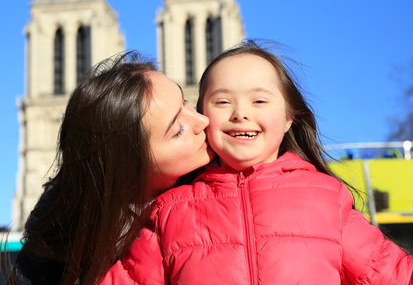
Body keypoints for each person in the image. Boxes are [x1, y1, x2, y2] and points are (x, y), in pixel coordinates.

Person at [101, 40, 413, 284]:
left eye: (259, 100)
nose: (240, 113)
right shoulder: (170, 211)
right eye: (222, 102)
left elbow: (393, 273)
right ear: (201, 116)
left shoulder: (325, 197)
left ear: (290, 117)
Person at [4, 51, 213, 285]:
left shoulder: (230, 186)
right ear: (129, 164)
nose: (203, 120)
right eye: (178, 130)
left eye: (185, 102)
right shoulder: (58, 244)